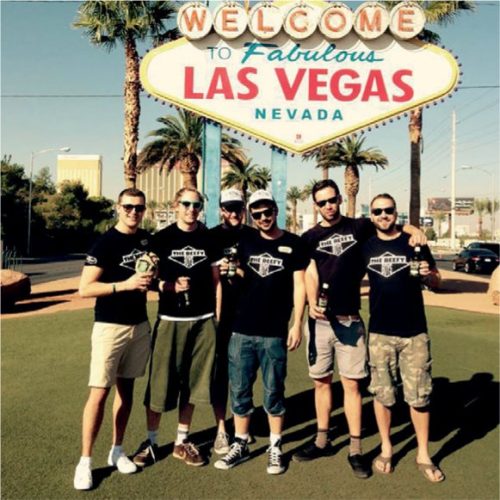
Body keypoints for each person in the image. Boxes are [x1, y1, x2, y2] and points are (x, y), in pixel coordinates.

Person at [295, 179, 425, 479]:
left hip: (350, 320)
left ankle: (355, 449)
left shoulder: (359, 227)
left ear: (340, 199)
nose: (328, 206)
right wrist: (311, 304)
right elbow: (309, 272)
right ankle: (322, 439)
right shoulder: (309, 237)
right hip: (320, 323)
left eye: (332, 200)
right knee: (321, 382)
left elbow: (387, 223)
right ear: (316, 205)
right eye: (322, 202)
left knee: (352, 385)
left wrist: (412, 228)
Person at [214, 190, 308, 475]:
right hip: (241, 329)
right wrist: (232, 273)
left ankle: (276, 446)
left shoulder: (293, 243)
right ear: (251, 216)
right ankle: (240, 442)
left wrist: (297, 323)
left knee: (273, 391)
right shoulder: (245, 240)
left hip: (274, 332)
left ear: (276, 211)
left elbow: (300, 285)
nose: (263, 218)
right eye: (257, 214)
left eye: (267, 212)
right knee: (240, 390)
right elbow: (238, 273)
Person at [73, 188, 154, 491]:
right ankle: (85, 462)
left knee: (127, 390)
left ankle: (117, 450)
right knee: (99, 393)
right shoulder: (105, 242)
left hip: (139, 325)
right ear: (118, 208)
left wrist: (161, 281)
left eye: (139, 208)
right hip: (110, 327)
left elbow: (149, 276)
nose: (134, 212)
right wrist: (125, 285)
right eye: (129, 207)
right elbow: (85, 288)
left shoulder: (146, 240)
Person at [133, 187, 219, 468]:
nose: (191, 209)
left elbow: (216, 280)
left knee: (193, 384)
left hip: (204, 320)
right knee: (160, 383)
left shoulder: (208, 237)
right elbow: (146, 278)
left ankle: (182, 441)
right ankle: (152, 441)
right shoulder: (162, 239)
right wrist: (167, 286)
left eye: (196, 204)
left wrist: (216, 316)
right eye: (186, 204)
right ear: (176, 205)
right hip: (170, 320)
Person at [363, 193, 444, 483]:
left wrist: (428, 276)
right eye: (378, 211)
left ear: (396, 212)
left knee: (419, 397)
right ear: (370, 215)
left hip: (414, 333)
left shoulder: (415, 242)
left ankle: (423, 453)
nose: (383, 215)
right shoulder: (366, 243)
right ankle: (386, 447)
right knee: (383, 394)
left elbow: (436, 280)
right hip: (379, 333)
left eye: (388, 210)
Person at [208, 188, 257, 455]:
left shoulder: (254, 235)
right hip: (219, 315)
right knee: (220, 374)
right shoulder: (211, 236)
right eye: (228, 208)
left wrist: (240, 271)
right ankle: (221, 429)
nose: (234, 213)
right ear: (221, 210)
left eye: (238, 207)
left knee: (245, 373)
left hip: (247, 313)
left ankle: (242, 426)